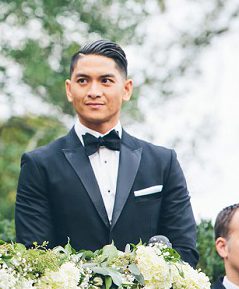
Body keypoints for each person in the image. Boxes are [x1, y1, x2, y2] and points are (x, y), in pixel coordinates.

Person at [15, 39, 198, 264]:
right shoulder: (39, 164)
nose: (94, 91)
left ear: (126, 89)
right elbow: (34, 254)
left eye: (105, 81)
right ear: (69, 89)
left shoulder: (163, 162)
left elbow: (184, 250)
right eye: (83, 81)